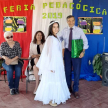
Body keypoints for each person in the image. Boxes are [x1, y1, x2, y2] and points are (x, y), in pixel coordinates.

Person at [34, 21, 70, 106]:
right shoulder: (50, 38)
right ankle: (51, 98)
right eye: (54, 27)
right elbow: (48, 52)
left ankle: (55, 97)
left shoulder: (56, 37)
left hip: (58, 61)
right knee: (52, 80)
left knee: (57, 79)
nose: (56, 28)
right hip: (53, 62)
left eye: (57, 26)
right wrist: (50, 65)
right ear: (51, 28)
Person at [58, 15, 89, 99]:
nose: (70, 22)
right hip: (67, 52)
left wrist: (83, 51)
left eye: (72, 20)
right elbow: (58, 39)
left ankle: (75, 90)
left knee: (76, 71)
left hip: (77, 53)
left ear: (74, 21)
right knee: (67, 71)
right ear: (67, 21)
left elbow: (85, 41)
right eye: (69, 20)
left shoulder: (79, 30)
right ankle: (68, 88)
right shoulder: (64, 30)